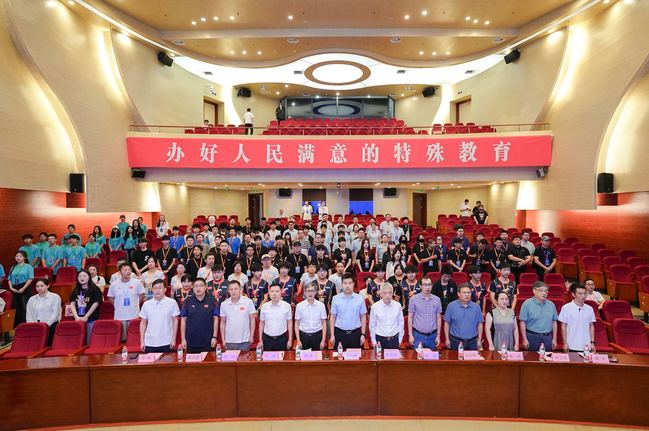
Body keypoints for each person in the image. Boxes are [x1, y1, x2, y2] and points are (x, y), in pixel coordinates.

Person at [139, 279, 180, 353]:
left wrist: (173, 339)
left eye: (160, 288)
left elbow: (175, 321)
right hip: (149, 342)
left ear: (165, 289)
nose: (157, 290)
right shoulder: (146, 304)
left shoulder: (172, 302)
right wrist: (142, 341)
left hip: (167, 341)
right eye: (155, 288)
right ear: (152, 290)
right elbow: (143, 323)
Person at [108, 263, 145, 341]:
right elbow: (111, 298)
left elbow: (141, 295)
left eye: (129, 270)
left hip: (134, 314)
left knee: (134, 338)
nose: (128, 271)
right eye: (125, 270)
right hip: (120, 315)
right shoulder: (114, 284)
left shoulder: (137, 282)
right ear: (120, 272)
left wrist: (136, 304)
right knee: (122, 339)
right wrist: (117, 305)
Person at [180, 278, 219, 353]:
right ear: (192, 287)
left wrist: (214, 337)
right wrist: (183, 339)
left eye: (201, 285)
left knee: (208, 360)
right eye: (196, 286)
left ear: (205, 287)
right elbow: (183, 320)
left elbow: (216, 319)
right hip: (191, 341)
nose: (198, 288)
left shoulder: (212, 300)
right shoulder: (187, 301)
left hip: (208, 341)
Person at [329, 273, 367, 349]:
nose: (347, 286)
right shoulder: (335, 298)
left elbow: (363, 317)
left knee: (355, 356)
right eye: (345, 283)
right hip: (340, 333)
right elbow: (332, 317)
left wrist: (363, 334)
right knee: (339, 356)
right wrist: (332, 335)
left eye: (350, 283)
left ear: (353, 284)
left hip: (355, 333)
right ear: (342, 284)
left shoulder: (360, 298)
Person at [519, 281, 558, 352]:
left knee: (547, 357)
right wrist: (524, 339)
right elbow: (522, 322)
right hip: (532, 336)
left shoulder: (551, 304)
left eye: (546, 291)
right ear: (534, 291)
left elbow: (554, 322)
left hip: (547, 337)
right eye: (541, 290)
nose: (544, 293)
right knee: (532, 357)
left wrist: (554, 339)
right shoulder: (526, 304)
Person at [444, 284, 484, 350]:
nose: (467, 295)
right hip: (455, 341)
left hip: (472, 342)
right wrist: (447, 339)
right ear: (458, 294)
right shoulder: (451, 306)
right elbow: (447, 323)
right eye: (464, 292)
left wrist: (479, 340)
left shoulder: (476, 307)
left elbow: (480, 324)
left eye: (468, 292)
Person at [219, 280, 257, 351]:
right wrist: (223, 339)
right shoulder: (224, 304)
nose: (233, 291)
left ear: (240, 289)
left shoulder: (248, 302)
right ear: (228, 291)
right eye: (231, 289)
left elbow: (252, 319)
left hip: (245, 340)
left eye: (236, 289)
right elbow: (223, 322)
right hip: (229, 340)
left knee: (244, 358)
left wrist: (251, 336)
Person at [559, 283, 596, 353]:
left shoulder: (590, 308)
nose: (583, 296)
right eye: (580, 293)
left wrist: (592, 343)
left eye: (584, 293)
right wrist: (565, 342)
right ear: (573, 294)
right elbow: (563, 326)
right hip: (571, 345)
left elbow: (591, 326)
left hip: (587, 346)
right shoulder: (566, 308)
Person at [408, 275, 442, 350]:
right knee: (417, 356)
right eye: (425, 285)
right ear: (420, 286)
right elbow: (410, 317)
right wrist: (410, 335)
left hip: (432, 335)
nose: (427, 287)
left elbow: (438, 318)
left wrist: (438, 335)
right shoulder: (413, 299)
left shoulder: (437, 300)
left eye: (429, 284)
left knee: (432, 357)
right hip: (418, 335)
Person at [69, 269, 103, 343]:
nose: (82, 278)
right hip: (78, 319)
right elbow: (72, 304)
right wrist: (76, 317)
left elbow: (96, 303)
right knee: (78, 342)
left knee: (89, 341)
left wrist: (86, 316)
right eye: (80, 276)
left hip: (91, 319)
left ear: (89, 277)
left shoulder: (95, 289)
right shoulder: (75, 290)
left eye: (84, 276)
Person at [26, 278, 61, 345]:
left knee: (50, 345)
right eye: (37, 286)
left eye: (42, 286)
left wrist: (45, 326)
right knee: (37, 345)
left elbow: (55, 314)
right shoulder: (31, 299)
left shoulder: (55, 297)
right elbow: (29, 314)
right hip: (36, 327)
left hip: (50, 326)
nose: (39, 288)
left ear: (47, 286)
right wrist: (32, 326)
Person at [369, 282, 404, 350]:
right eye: (385, 293)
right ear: (381, 294)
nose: (388, 295)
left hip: (394, 339)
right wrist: (373, 341)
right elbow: (372, 325)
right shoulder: (375, 307)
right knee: (379, 357)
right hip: (380, 339)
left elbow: (400, 324)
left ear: (393, 293)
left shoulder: (398, 306)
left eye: (390, 293)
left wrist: (400, 339)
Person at [259, 284, 293, 351]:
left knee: (282, 357)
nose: (274, 294)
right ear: (269, 293)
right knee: (267, 358)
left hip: (282, 339)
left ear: (281, 292)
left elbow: (289, 323)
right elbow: (261, 323)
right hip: (267, 340)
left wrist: (290, 339)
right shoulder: (264, 306)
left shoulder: (287, 306)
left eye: (277, 291)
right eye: (272, 291)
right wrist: (260, 340)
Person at [295, 282, 328, 350]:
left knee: (318, 356)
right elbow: (297, 324)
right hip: (303, 337)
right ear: (305, 292)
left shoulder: (321, 305)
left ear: (316, 292)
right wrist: (298, 340)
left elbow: (324, 323)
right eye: (308, 291)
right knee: (304, 356)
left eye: (312, 291)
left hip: (317, 336)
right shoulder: (299, 306)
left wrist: (323, 340)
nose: (310, 293)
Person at [7, 251, 34, 325]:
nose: (18, 258)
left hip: (24, 287)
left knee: (24, 306)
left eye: (20, 256)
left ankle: (25, 324)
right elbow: (9, 279)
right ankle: (17, 325)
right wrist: (11, 288)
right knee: (16, 306)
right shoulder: (13, 267)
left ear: (24, 258)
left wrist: (23, 288)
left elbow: (30, 278)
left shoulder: (28, 267)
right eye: (16, 256)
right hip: (14, 287)